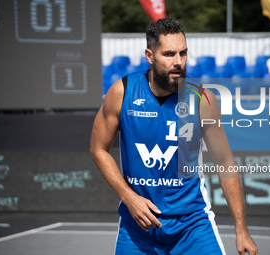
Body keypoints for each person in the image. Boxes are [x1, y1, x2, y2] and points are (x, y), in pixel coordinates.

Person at [90, 18, 258, 255]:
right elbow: (98, 149)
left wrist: (241, 231)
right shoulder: (122, 92)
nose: (178, 62)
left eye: (183, 53)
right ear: (150, 55)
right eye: (169, 54)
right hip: (138, 227)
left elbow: (225, 163)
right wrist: (129, 198)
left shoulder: (202, 100)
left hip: (192, 226)